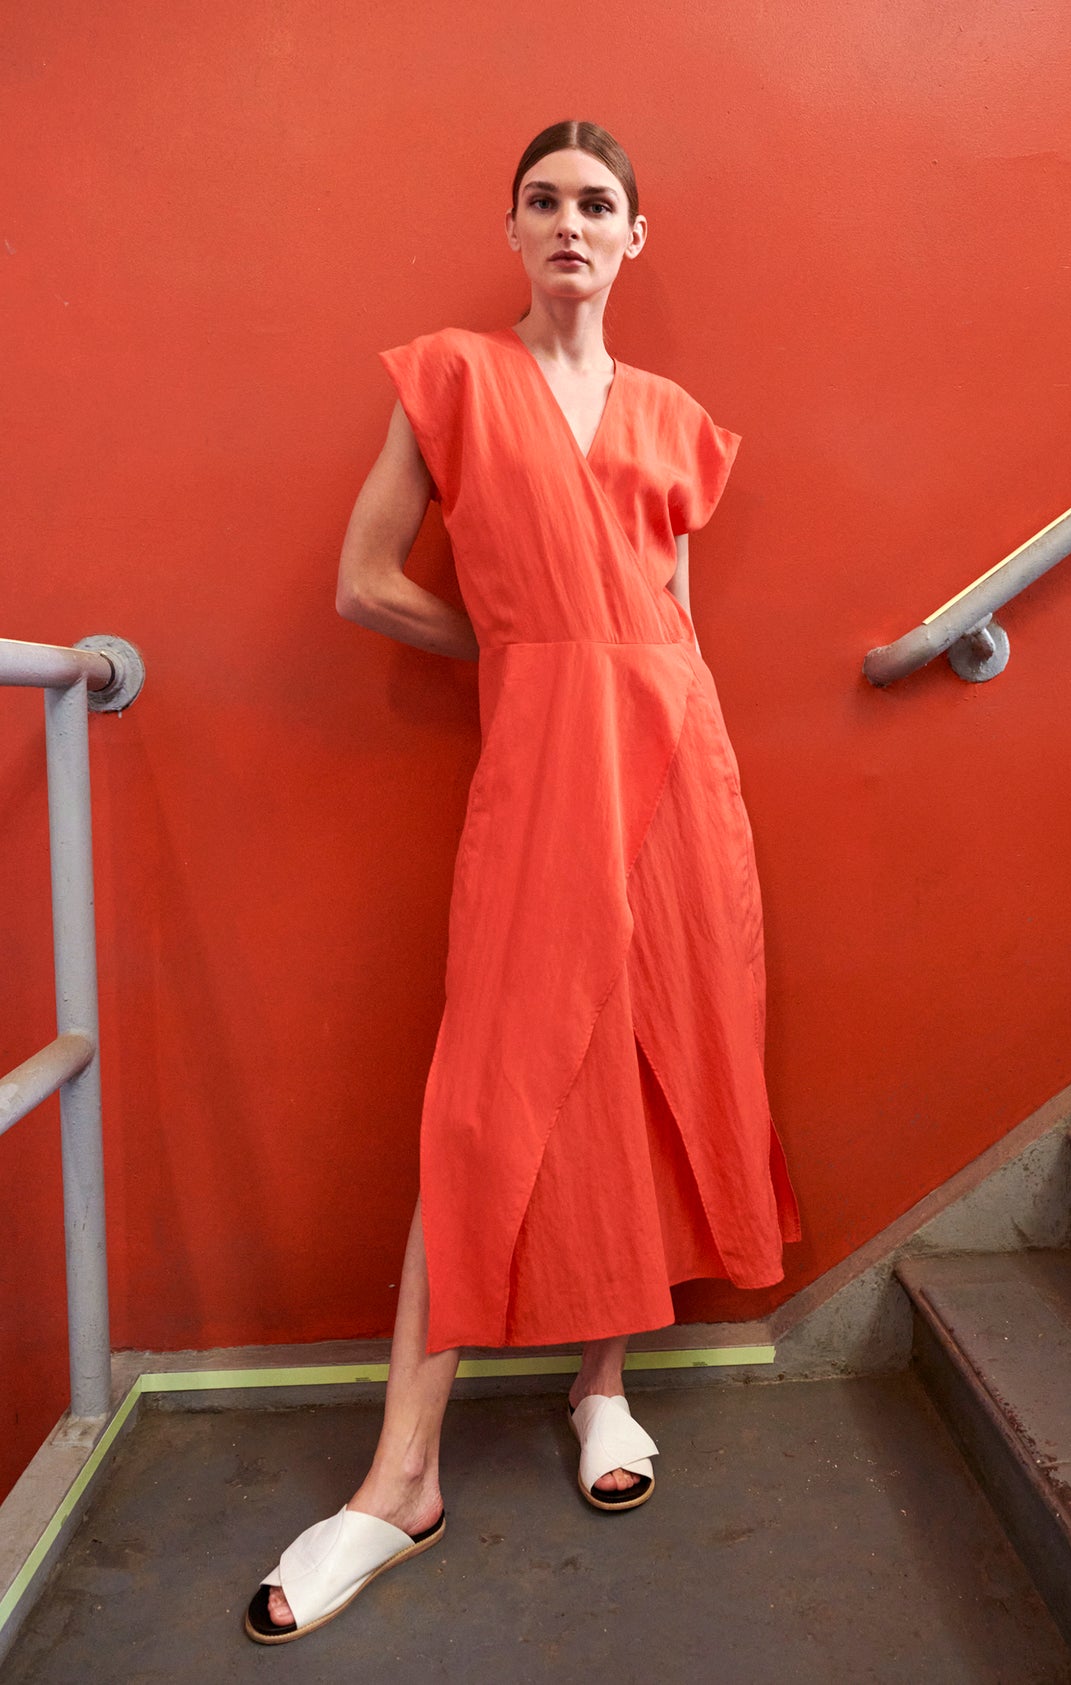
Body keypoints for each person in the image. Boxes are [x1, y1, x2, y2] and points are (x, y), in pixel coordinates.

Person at [243, 118, 800, 1645]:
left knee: (636, 1059)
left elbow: (670, 613)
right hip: (545, 760)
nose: (571, 221)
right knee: (488, 1090)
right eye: (544, 200)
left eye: (598, 202)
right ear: (515, 230)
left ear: (636, 237)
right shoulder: (453, 378)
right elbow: (365, 579)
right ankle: (397, 1477)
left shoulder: (679, 419)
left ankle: (601, 1387)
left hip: (680, 762)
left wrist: (639, 694)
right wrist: (513, 654)